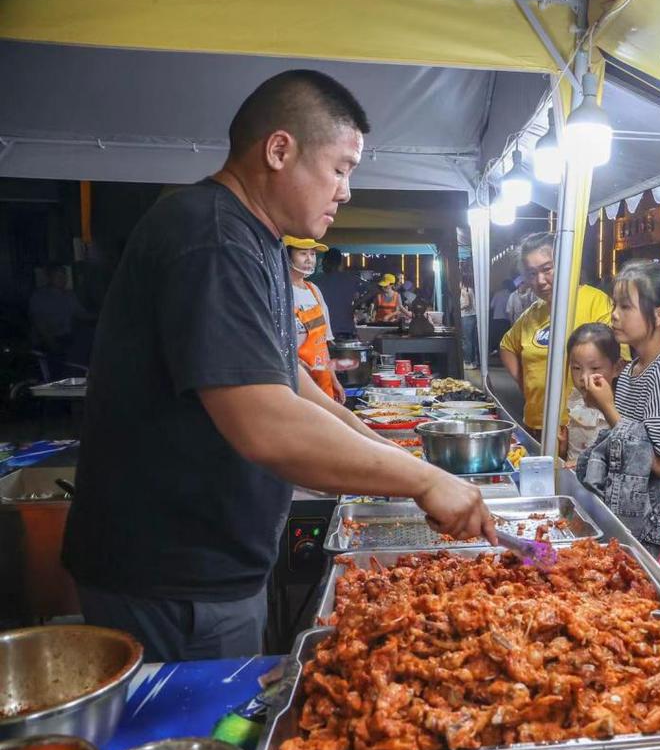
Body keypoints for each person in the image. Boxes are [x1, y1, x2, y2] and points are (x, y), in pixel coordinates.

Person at [61, 69, 493, 664]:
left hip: (209, 564)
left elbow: (284, 376)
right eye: (340, 168)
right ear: (280, 150)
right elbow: (265, 422)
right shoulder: (211, 239)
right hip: (169, 578)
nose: (346, 191)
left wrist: (392, 454)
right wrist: (422, 480)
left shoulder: (253, 240)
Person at [585, 261, 660, 581]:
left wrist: (607, 407)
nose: (614, 316)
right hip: (639, 514)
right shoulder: (634, 368)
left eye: (625, 307)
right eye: (614, 305)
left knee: (655, 605)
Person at [499, 233, 618, 434]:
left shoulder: (595, 302)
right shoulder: (532, 314)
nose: (540, 280)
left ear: (565, 263)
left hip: (582, 425)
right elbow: (507, 346)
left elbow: (616, 361)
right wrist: (525, 385)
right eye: (531, 274)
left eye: (547, 269)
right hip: (536, 423)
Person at [286, 236, 344, 403]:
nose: (309, 259)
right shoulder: (280, 291)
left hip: (321, 377)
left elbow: (322, 344)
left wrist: (334, 380)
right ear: (286, 255)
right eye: (303, 253)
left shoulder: (314, 290)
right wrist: (300, 367)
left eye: (312, 254)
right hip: (296, 378)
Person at [561, 322, 621, 466]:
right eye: (576, 368)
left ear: (617, 368)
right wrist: (562, 448)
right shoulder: (575, 398)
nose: (583, 376)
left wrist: (583, 464)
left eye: (594, 368)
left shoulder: (620, 407)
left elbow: (624, 455)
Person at [28, 266, 79, 358]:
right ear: (49, 278)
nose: (62, 279)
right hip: (45, 343)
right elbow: (39, 323)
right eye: (58, 276)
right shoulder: (39, 296)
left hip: (68, 340)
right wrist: (52, 345)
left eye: (64, 276)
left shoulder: (70, 295)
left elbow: (81, 313)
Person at [313, 247, 363, 337]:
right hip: (346, 331)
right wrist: (355, 305)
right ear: (340, 262)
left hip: (326, 331)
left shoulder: (317, 282)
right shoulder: (351, 279)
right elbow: (374, 289)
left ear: (325, 262)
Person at [488, 280, 513, 355]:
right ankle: (502, 353)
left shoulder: (497, 294)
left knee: (496, 336)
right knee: (504, 338)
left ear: (503, 286)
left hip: (496, 318)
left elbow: (491, 306)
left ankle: (495, 352)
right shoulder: (511, 295)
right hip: (506, 319)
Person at [460, 279, 479, 369]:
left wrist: (458, 308)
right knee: (471, 340)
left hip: (467, 316)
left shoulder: (464, 291)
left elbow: (467, 303)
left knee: (466, 340)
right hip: (472, 316)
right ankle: (473, 362)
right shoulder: (469, 289)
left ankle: (467, 362)